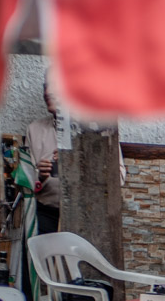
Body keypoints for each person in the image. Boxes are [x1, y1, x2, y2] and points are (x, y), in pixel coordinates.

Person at [26, 74, 125, 235]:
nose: (48, 92)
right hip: (45, 215)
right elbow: (26, 183)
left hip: (87, 216)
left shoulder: (98, 128)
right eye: (46, 86)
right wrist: (40, 176)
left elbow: (118, 177)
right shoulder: (34, 129)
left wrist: (78, 164)